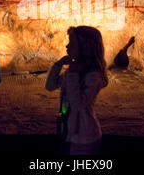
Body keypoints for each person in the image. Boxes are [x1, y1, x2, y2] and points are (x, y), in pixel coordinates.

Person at [46, 26, 108, 155]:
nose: (67, 46)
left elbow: (77, 104)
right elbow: (50, 86)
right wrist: (59, 64)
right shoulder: (73, 70)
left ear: (85, 47)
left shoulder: (93, 76)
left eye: (72, 43)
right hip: (69, 133)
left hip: (85, 137)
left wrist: (73, 74)